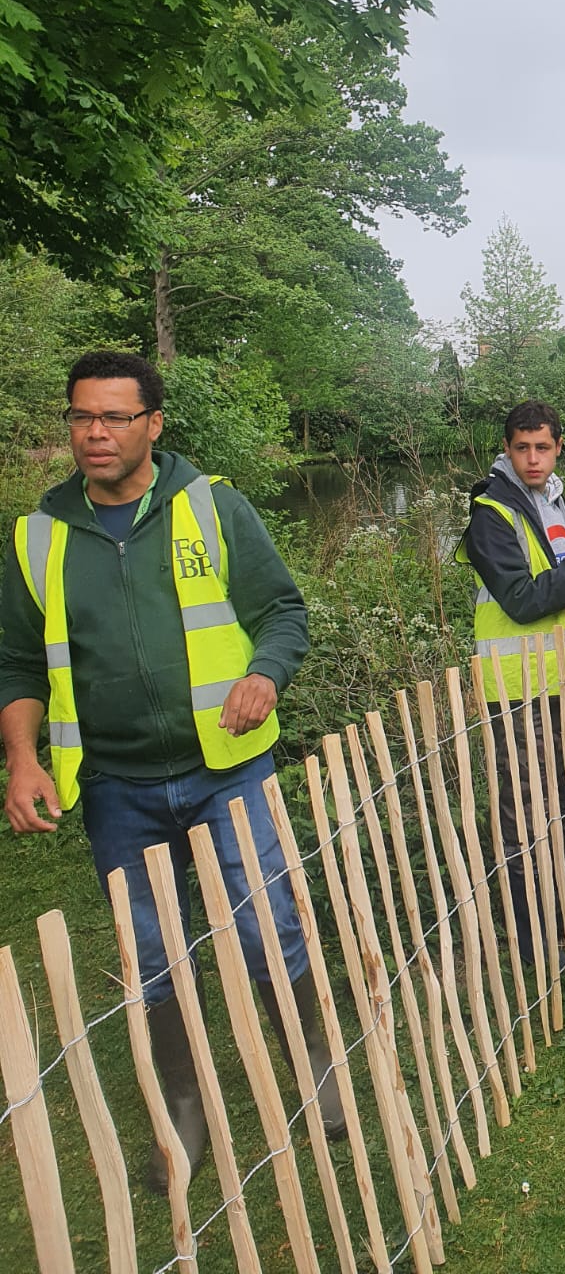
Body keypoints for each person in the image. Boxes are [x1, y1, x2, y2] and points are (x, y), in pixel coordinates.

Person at [0, 350, 343, 1192]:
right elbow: (16, 662)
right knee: (151, 952)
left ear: (154, 424)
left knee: (269, 927)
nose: (95, 434)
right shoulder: (36, 535)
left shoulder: (211, 507)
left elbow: (282, 612)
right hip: (116, 788)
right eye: (82, 417)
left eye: (116, 417)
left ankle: (317, 1081)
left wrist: (264, 674)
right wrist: (20, 758)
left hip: (225, 770)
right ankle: (184, 1116)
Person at [455, 399, 565, 967]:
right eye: (522, 447)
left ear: (559, 448)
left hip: (564, 684)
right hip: (519, 689)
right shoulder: (491, 514)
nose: (533, 458)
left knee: (558, 805)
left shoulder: (559, 506)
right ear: (506, 448)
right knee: (524, 814)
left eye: (543, 447)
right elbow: (525, 599)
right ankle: (533, 938)